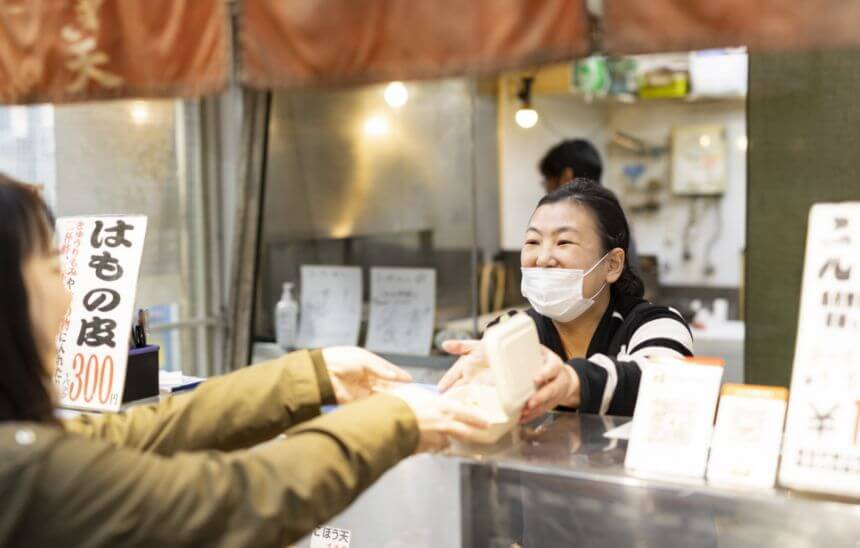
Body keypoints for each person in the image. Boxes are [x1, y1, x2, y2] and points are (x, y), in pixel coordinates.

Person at [0, 174, 491, 547]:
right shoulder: (25, 467)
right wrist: (392, 420)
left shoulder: (25, 449)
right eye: (50, 265)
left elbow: (138, 433)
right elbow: (232, 500)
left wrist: (311, 376)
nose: (69, 296)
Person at [439, 179, 693, 418]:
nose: (542, 258)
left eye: (563, 242)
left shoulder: (658, 324)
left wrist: (572, 381)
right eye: (533, 241)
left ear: (612, 264)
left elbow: (666, 384)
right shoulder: (509, 331)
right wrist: (478, 390)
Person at [539, 138, 639, 270]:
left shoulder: (582, 219)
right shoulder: (612, 211)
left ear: (566, 177)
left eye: (548, 180)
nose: (547, 189)